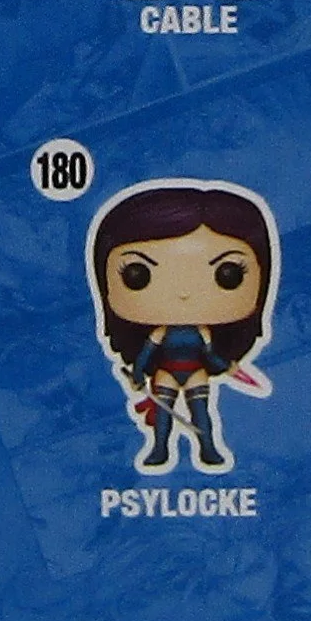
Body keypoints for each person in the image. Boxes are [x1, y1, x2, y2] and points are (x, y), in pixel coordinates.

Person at [88, 182, 278, 472]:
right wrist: (137, 375)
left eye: (228, 274)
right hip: (165, 372)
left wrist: (226, 366)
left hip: (195, 371)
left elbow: (210, 354)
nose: (184, 294)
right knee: (163, 416)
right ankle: (159, 449)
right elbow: (146, 355)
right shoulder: (159, 333)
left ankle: (208, 448)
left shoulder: (202, 333)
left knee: (200, 414)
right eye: (138, 274)